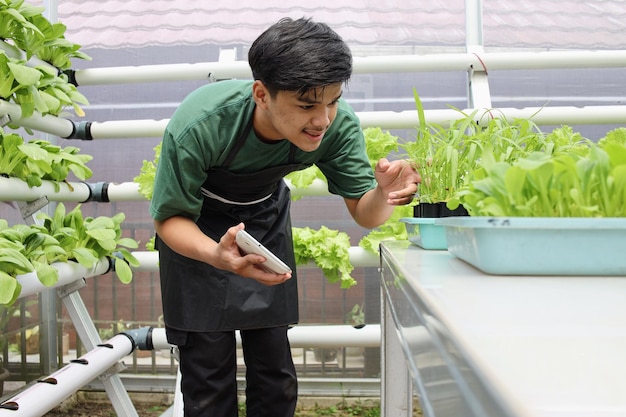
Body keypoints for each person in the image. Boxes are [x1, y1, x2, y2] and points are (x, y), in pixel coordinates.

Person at [149, 17, 420, 417]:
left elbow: (366, 213)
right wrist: (215, 254)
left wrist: (384, 193)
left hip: (263, 217)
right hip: (196, 229)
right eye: (307, 105)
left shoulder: (336, 126)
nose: (322, 119)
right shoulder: (203, 123)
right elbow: (169, 218)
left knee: (274, 372)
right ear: (262, 93)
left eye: (333, 100)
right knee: (207, 377)